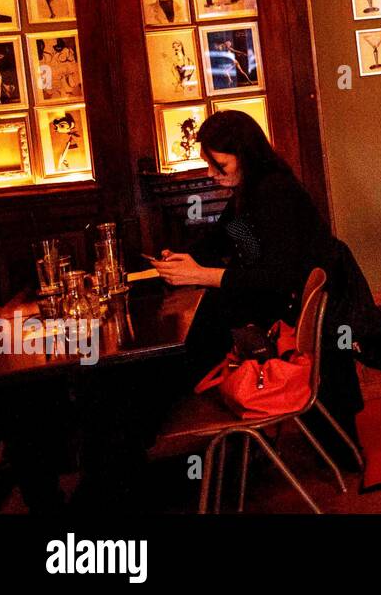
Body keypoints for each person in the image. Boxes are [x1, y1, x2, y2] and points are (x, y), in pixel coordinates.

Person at [151, 110, 363, 446]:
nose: (211, 174)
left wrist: (201, 275)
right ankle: (208, 436)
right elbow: (223, 237)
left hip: (287, 306)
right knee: (203, 325)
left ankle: (187, 428)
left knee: (188, 345)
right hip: (277, 300)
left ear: (244, 155)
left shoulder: (275, 192)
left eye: (218, 165)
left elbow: (275, 277)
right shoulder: (252, 189)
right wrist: (183, 258)